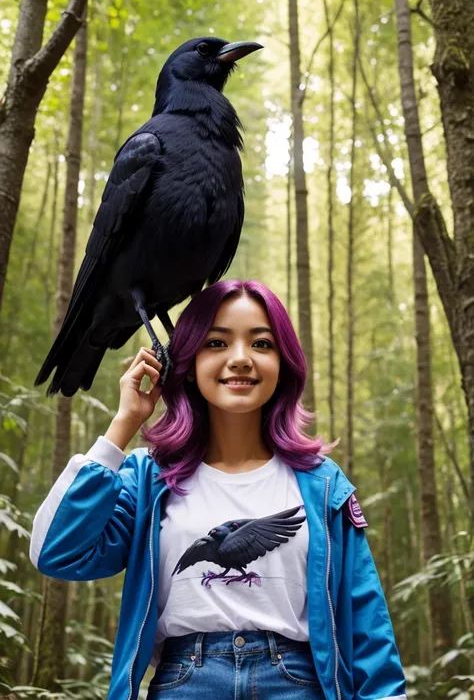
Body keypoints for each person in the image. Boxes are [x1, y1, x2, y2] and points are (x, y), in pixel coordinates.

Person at [30, 279, 407, 700]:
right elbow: (57, 552)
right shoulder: (149, 479)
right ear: (188, 361)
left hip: (300, 682)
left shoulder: (322, 483)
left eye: (261, 344)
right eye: (217, 343)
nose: (241, 359)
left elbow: (365, 618)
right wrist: (124, 426)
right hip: (183, 682)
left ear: (284, 363)